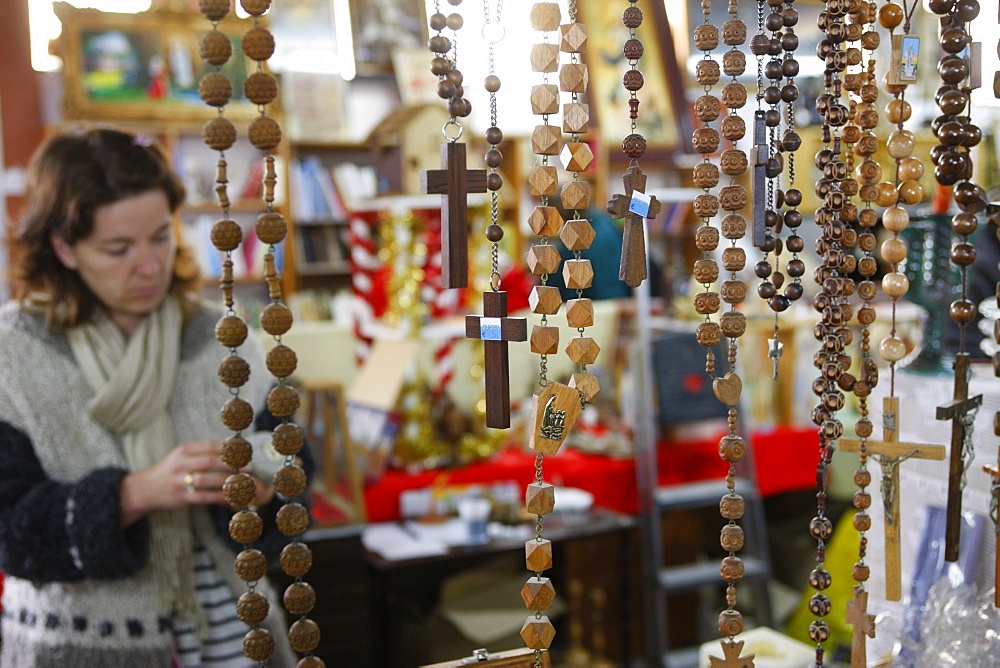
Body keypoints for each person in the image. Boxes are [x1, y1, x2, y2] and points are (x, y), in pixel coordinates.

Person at [0, 127, 304, 666]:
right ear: (64, 248)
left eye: (161, 237)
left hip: (236, 634)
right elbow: (11, 533)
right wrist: (134, 494)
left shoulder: (225, 337)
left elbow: (297, 468)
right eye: (118, 248)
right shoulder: (13, 357)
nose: (148, 265)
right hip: (78, 646)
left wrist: (265, 489)